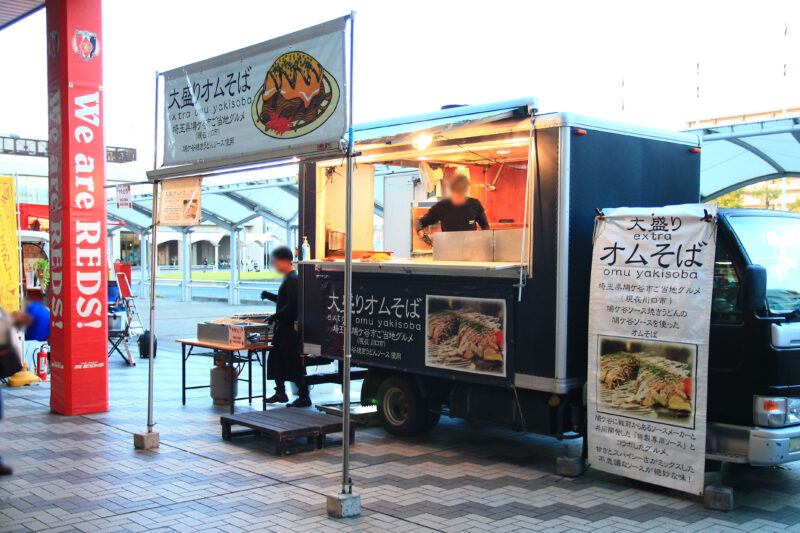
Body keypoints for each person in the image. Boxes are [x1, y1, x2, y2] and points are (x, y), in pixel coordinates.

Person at [260, 246, 310, 407]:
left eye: (275, 262)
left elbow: (293, 305)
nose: (275, 266)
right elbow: (286, 302)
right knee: (278, 360)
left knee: (293, 363)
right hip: (284, 327)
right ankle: (281, 392)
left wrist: (276, 315)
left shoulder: (292, 279)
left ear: (283, 261)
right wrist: (270, 296)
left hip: (289, 330)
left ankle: (303, 396)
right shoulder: (290, 278)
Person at [414, 170, 490, 245]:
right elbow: (420, 223)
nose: (459, 196)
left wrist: (481, 239)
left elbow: (485, 225)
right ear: (452, 190)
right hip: (449, 250)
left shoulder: (474, 204)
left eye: (461, 193)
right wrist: (421, 234)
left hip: (470, 250)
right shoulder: (442, 206)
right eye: (457, 192)